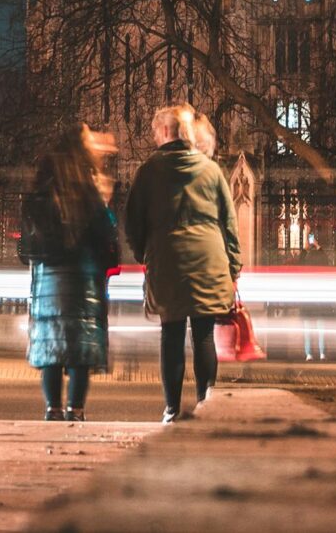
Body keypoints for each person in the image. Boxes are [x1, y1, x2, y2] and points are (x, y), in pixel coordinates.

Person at [121, 103, 240, 423]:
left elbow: (132, 223)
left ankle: (172, 408)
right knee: (203, 336)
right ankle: (206, 403)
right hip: (209, 261)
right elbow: (229, 222)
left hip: (167, 261)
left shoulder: (148, 171)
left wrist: (145, 254)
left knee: (171, 334)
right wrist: (233, 267)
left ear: (164, 131)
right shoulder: (211, 170)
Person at [18, 125, 124, 421]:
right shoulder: (89, 191)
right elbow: (107, 235)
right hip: (83, 280)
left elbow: (26, 245)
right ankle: (75, 409)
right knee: (80, 350)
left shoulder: (40, 191)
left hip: (48, 279)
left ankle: (52, 408)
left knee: (51, 346)